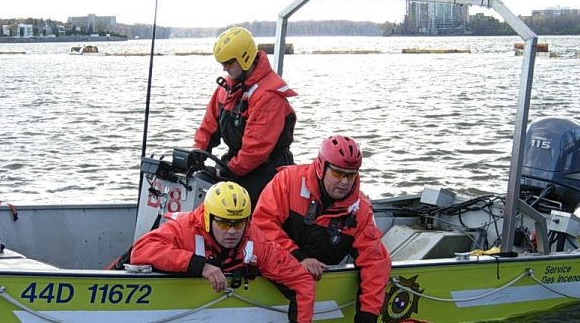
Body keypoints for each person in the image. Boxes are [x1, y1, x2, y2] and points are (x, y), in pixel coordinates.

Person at [130, 181, 315, 323]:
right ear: (208, 218)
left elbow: (301, 281)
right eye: (224, 223)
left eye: (239, 223)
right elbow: (140, 251)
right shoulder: (184, 230)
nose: (232, 231)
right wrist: (199, 266)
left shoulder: (256, 242)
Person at [252, 135, 391, 323]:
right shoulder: (287, 182)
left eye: (351, 175)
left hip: (320, 275)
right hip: (275, 265)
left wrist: (367, 315)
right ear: (321, 167)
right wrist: (298, 257)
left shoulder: (361, 209)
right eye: (338, 173)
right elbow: (261, 224)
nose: (344, 182)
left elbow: (375, 262)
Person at [193, 26, 297, 206]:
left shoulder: (269, 94)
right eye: (222, 63)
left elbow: (255, 149)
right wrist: (196, 154)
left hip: (267, 173)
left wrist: (227, 171)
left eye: (228, 62)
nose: (225, 68)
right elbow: (208, 127)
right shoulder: (226, 87)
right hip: (237, 165)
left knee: (256, 222)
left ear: (245, 58)